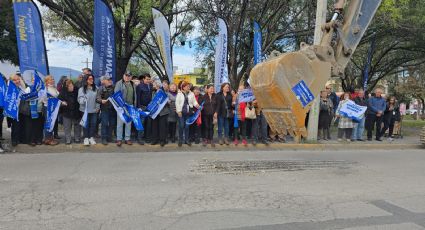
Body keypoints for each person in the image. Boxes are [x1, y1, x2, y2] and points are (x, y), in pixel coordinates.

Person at [115, 72, 137, 146]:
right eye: (126, 75)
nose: (127, 77)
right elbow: (116, 94)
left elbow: (135, 95)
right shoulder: (119, 83)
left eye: (129, 76)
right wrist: (120, 105)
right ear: (123, 76)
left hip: (130, 106)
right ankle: (119, 139)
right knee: (120, 123)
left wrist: (134, 105)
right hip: (121, 106)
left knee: (128, 123)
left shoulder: (132, 84)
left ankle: (127, 138)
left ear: (131, 77)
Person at [78, 74, 99, 146]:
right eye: (89, 79)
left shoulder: (96, 88)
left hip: (94, 110)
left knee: (93, 124)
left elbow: (98, 99)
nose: (91, 80)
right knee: (85, 125)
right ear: (86, 80)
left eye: (92, 79)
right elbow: (79, 99)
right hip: (84, 111)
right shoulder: (81, 89)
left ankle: (91, 137)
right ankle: (86, 138)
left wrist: (97, 107)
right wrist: (84, 100)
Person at [176, 81, 199, 147]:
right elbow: (177, 103)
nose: (188, 87)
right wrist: (178, 111)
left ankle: (186, 140)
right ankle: (180, 140)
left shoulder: (191, 94)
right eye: (186, 86)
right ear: (183, 87)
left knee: (187, 126)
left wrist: (197, 105)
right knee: (181, 126)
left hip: (188, 113)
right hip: (181, 112)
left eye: (189, 86)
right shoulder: (179, 94)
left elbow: (194, 102)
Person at [58, 79, 81, 144]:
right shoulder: (63, 92)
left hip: (76, 111)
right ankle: (68, 139)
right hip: (66, 112)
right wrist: (62, 102)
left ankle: (77, 138)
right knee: (67, 127)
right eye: (70, 86)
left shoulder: (77, 90)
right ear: (66, 87)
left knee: (77, 126)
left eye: (72, 86)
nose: (71, 87)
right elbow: (59, 100)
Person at [96, 76, 116, 145]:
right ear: (104, 81)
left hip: (113, 109)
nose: (110, 81)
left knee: (112, 124)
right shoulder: (101, 88)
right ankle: (103, 138)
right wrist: (101, 101)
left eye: (110, 79)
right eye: (108, 80)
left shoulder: (114, 87)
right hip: (104, 109)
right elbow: (97, 99)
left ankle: (109, 137)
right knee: (104, 124)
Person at [151, 80, 170, 146]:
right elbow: (152, 101)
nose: (164, 85)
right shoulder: (154, 92)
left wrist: (168, 102)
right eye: (163, 84)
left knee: (162, 127)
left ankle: (162, 140)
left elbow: (169, 101)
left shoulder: (167, 92)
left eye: (165, 84)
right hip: (155, 112)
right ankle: (154, 140)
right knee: (154, 126)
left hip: (164, 112)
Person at [43, 75, 60, 145]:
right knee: (48, 123)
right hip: (48, 108)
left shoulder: (54, 88)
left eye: (53, 79)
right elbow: (43, 99)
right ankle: (47, 139)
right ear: (46, 81)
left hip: (54, 108)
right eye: (51, 79)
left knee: (52, 123)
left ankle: (51, 138)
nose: (53, 80)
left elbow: (57, 97)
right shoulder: (45, 89)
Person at [136, 73, 152, 144]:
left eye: (149, 79)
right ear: (143, 79)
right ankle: (140, 138)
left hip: (149, 107)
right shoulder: (139, 86)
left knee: (148, 123)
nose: (148, 80)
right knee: (141, 123)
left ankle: (147, 138)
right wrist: (138, 107)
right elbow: (138, 97)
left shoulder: (150, 85)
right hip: (142, 107)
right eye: (147, 79)